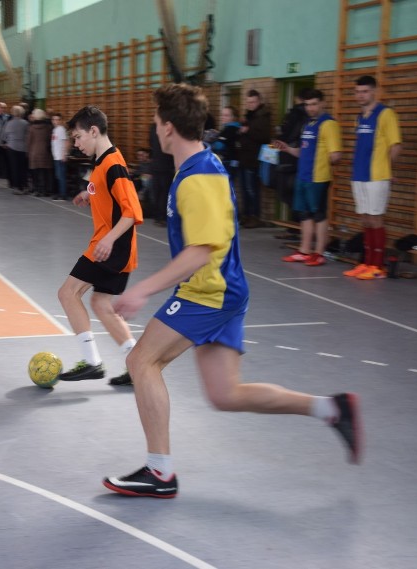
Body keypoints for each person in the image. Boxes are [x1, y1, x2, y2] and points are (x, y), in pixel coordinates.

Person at [103, 83, 361, 499]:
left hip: (209, 292)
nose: (155, 128)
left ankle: (159, 472)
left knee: (141, 361)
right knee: (226, 394)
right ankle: (330, 408)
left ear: (168, 128)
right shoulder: (202, 164)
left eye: (155, 122)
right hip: (225, 290)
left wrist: (142, 291)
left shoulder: (198, 178)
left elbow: (200, 252)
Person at [57, 105, 143, 386]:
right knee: (101, 303)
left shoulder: (113, 164)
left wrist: (108, 238)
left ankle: (92, 362)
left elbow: (132, 211)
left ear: (94, 131)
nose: (76, 143)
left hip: (110, 248)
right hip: (114, 247)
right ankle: (137, 366)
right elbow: (111, 197)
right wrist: (90, 194)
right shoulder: (103, 162)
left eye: (79, 137)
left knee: (68, 293)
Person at [273, 89, 342, 267]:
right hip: (303, 175)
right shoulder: (307, 125)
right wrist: (287, 148)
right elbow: (303, 151)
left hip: (318, 177)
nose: (310, 108)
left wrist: (330, 159)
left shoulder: (329, 124)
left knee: (318, 214)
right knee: (304, 214)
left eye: (313, 104)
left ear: (322, 103)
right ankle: (304, 250)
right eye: (307, 104)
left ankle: (319, 253)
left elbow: (336, 154)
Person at [344, 75, 402, 280]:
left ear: (375, 91)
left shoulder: (386, 114)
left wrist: (387, 170)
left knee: (376, 218)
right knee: (366, 219)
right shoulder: (360, 117)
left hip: (377, 175)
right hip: (359, 174)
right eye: (357, 92)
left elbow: (396, 146)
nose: (360, 95)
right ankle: (366, 262)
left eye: (365, 91)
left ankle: (378, 266)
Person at [237, 90, 272, 228]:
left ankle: (255, 216)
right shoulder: (248, 116)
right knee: (244, 188)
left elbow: (264, 137)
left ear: (259, 101)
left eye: (253, 102)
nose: (250, 104)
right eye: (248, 102)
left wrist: (247, 131)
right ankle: (246, 215)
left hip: (254, 159)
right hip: (244, 157)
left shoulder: (263, 117)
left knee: (252, 189)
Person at [148, 122, 175, 226]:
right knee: (164, 192)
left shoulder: (154, 126)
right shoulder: (169, 126)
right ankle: (162, 217)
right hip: (166, 164)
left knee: (157, 191)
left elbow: (150, 143)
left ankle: (158, 216)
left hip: (157, 163)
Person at [26, 108, 54, 196]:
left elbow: (28, 141)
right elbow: (51, 140)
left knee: (36, 173)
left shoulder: (31, 128)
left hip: (34, 153)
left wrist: (27, 153)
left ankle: (37, 190)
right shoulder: (49, 127)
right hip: (46, 152)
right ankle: (46, 190)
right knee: (45, 173)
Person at [2, 105, 29, 195]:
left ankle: (16, 187)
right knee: (22, 168)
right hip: (23, 148)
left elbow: (3, 136)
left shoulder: (8, 123)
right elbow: (28, 136)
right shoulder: (25, 123)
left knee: (14, 168)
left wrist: (7, 142)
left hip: (11, 147)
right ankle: (24, 186)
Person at [211, 106, 241, 184]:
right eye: (222, 115)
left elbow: (219, 146)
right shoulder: (236, 127)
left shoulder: (230, 129)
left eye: (226, 115)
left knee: (225, 187)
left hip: (228, 162)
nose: (223, 117)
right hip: (233, 162)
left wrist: (210, 141)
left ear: (233, 117)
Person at [50, 112, 69, 201]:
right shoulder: (55, 129)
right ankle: (60, 193)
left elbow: (66, 142)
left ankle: (63, 194)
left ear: (61, 121)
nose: (55, 121)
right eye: (54, 119)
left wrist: (64, 154)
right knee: (58, 176)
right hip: (56, 156)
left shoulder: (61, 129)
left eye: (57, 120)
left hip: (60, 156)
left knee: (61, 176)